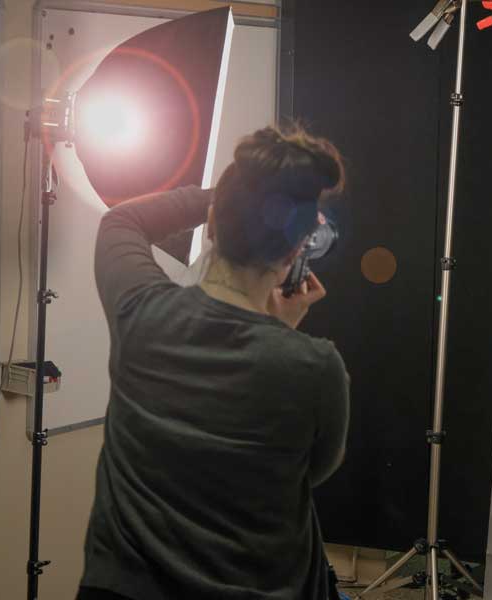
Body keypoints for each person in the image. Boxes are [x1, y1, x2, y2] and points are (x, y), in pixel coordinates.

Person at [76, 126, 350, 600]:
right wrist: (283, 333)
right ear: (292, 252)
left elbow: (122, 222)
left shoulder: (140, 313)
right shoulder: (315, 366)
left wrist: (227, 193)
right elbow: (309, 471)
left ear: (213, 223)